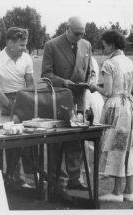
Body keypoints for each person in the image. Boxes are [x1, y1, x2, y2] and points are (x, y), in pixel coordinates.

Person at [89, 30, 133, 202]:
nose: (103, 47)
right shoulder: (129, 62)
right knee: (131, 147)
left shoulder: (109, 64)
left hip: (116, 108)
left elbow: (107, 92)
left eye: (105, 44)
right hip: (131, 106)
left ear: (112, 45)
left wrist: (93, 87)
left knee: (116, 146)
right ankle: (129, 192)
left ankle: (116, 193)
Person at [42, 16, 95, 191]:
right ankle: (56, 179)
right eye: (77, 33)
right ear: (67, 28)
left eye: (82, 34)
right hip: (59, 99)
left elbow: (91, 71)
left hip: (79, 99)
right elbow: (46, 74)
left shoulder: (86, 45)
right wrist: (64, 82)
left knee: (76, 140)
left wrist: (91, 81)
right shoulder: (51, 45)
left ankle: (75, 177)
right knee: (57, 141)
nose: (80, 37)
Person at [0, 27, 34, 188]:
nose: (24, 48)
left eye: (25, 44)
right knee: (13, 139)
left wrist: (28, 99)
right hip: (7, 99)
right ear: (10, 43)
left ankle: (33, 176)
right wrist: (9, 105)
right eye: (21, 45)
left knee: (31, 138)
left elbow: (30, 81)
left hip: (24, 97)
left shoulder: (26, 58)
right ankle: (15, 178)